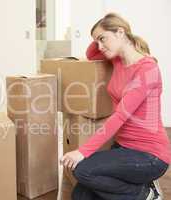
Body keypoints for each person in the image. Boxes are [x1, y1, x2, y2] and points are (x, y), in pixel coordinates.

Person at [61, 13, 170, 200]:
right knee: (80, 195)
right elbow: (90, 53)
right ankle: (135, 183)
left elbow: (119, 116)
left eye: (103, 39)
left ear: (120, 32)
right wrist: (99, 34)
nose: (100, 47)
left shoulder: (147, 70)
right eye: (97, 41)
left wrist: (82, 151)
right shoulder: (118, 60)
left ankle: (146, 194)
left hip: (150, 155)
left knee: (82, 171)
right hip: (123, 147)